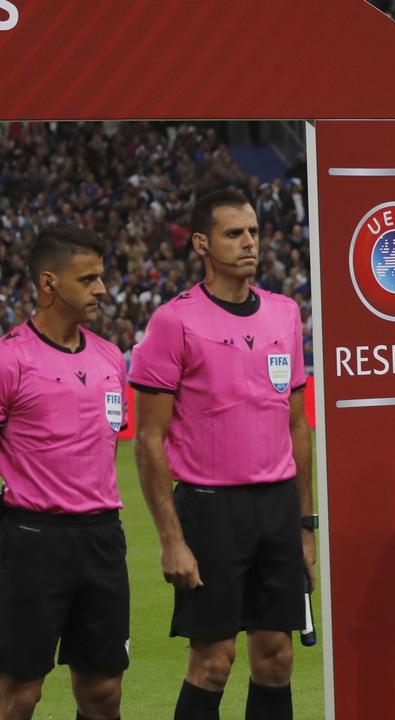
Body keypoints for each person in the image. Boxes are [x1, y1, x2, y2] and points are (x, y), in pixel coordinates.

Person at [131, 188, 314, 720]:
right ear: (201, 244)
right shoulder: (173, 321)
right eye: (234, 233)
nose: (249, 242)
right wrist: (172, 541)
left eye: (253, 231)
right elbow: (148, 439)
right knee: (213, 661)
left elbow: (298, 425)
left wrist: (305, 524)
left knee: (277, 658)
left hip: (277, 506)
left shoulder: (284, 313)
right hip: (210, 509)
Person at [0, 226, 129, 720]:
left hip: (102, 537)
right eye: (89, 278)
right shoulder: (11, 358)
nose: (102, 289)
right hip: (33, 538)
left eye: (102, 276)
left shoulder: (109, 358)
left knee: (103, 693)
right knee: (20, 692)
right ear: (49, 283)